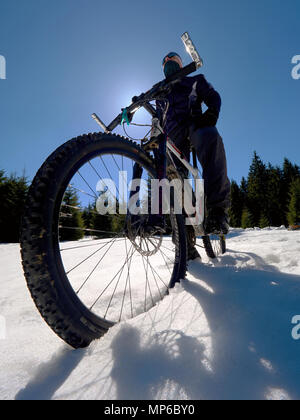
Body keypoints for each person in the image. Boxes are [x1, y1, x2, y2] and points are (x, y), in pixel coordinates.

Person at [158, 52, 231, 260]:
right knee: (171, 174)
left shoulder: (194, 80)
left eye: (172, 58)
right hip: (173, 136)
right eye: (164, 61)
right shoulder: (161, 92)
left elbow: (213, 96)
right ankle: (184, 232)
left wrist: (212, 112)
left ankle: (218, 211)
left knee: (210, 137)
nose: (167, 61)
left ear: (181, 63)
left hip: (194, 124)